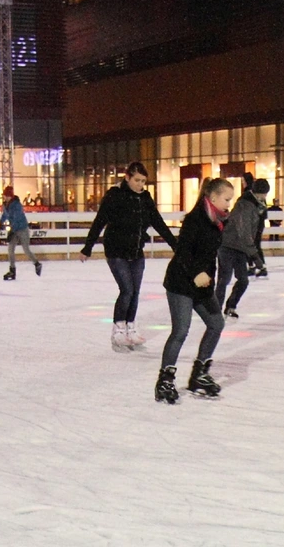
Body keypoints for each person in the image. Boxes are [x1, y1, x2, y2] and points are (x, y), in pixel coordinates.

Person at [80, 162, 179, 352]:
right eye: (137, 180)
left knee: (135, 291)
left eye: (143, 181)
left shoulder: (145, 198)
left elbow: (158, 223)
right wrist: (87, 247)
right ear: (127, 177)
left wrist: (175, 245)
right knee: (126, 289)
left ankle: (130, 327)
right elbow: (100, 221)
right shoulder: (115, 195)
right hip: (116, 250)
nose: (140, 185)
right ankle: (118, 329)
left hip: (136, 251)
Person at [155, 177, 235, 404]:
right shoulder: (195, 219)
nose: (229, 204)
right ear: (212, 197)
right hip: (181, 283)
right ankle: (165, 381)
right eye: (226, 199)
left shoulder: (218, 221)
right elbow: (183, 252)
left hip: (202, 285)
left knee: (216, 324)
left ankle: (199, 375)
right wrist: (197, 273)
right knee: (181, 330)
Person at [215, 176, 267, 319]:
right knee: (224, 279)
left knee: (243, 280)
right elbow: (244, 232)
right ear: (259, 193)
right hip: (228, 245)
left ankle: (231, 305)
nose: (265, 197)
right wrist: (255, 256)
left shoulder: (257, 205)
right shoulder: (245, 205)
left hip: (240, 248)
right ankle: (215, 310)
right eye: (264, 194)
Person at [0, 185, 41, 280]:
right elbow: (5, 214)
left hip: (22, 229)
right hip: (14, 229)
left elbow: (17, 220)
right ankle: (12, 271)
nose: (3, 197)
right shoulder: (6, 205)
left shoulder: (17, 205)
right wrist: (1, 221)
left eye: (5, 195)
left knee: (26, 249)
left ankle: (37, 264)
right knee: (10, 250)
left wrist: (11, 232)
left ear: (9, 196)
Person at [250, 178, 272, 278]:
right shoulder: (253, 196)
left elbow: (262, 213)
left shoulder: (257, 197)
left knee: (254, 246)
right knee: (253, 245)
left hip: (256, 225)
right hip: (255, 224)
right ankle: (254, 266)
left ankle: (259, 267)